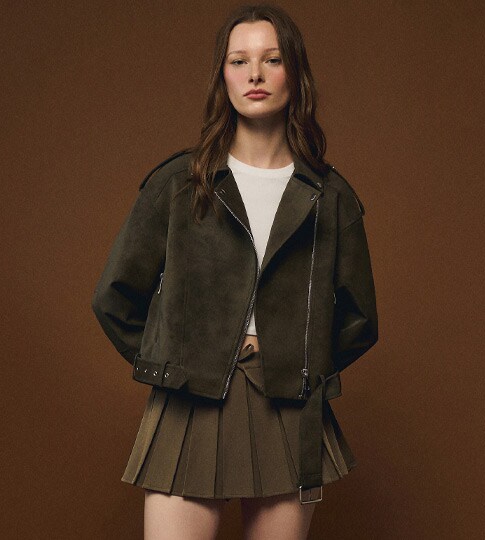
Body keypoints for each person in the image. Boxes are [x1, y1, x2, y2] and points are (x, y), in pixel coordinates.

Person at [91, 3, 378, 539]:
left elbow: (359, 319)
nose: (254, 74)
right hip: (187, 402)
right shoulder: (179, 183)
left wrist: (296, 363)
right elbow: (114, 298)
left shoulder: (331, 196)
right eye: (239, 60)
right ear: (222, 76)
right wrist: (175, 362)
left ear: (295, 72)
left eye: (272, 59)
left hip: (288, 407)